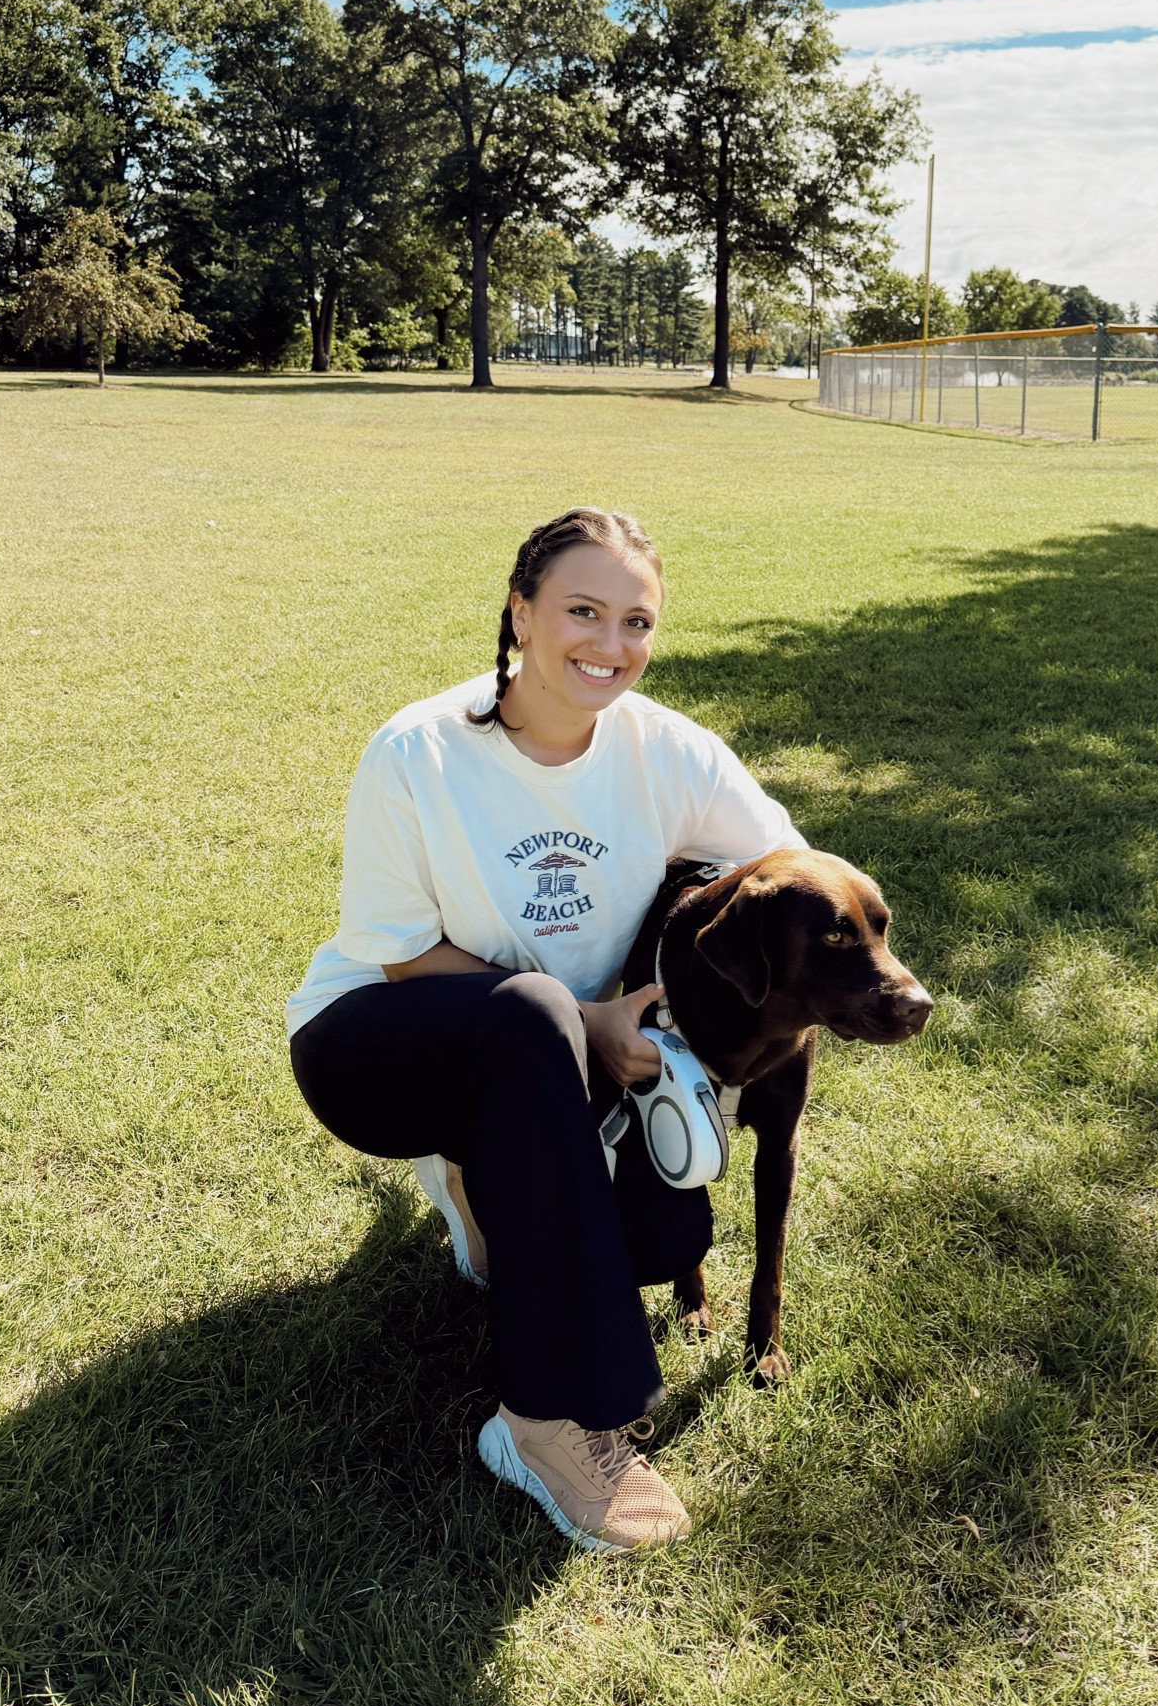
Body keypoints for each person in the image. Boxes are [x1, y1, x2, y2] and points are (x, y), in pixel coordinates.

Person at [287, 507, 805, 1552]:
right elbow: (399, 954)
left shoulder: (669, 751)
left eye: (637, 620)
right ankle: (548, 1419)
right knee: (530, 1012)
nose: (610, 645)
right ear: (520, 611)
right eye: (581, 610)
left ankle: (486, 1187)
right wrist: (590, 1013)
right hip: (379, 1043)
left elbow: (791, 866)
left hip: (564, 1061)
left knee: (662, 1238)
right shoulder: (417, 750)